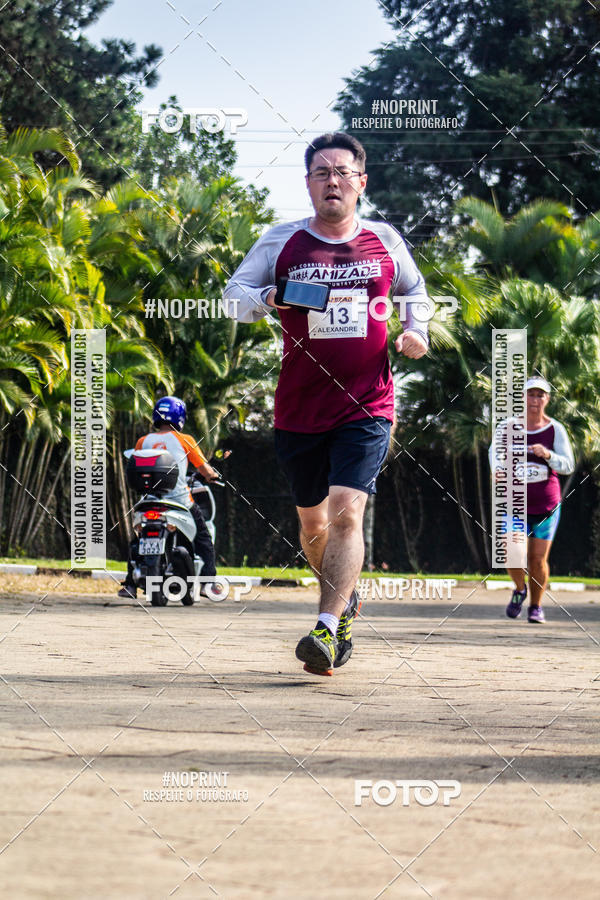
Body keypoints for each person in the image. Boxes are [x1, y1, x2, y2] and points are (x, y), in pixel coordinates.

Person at [223, 132, 429, 674]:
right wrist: (267, 296)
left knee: (346, 511)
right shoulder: (282, 241)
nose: (332, 180)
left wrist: (416, 330)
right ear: (308, 184)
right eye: (321, 173)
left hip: (367, 403)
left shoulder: (384, 239)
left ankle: (327, 627)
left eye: (342, 172)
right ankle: (345, 596)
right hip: (299, 408)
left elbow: (416, 292)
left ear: (361, 182)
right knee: (313, 526)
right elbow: (232, 297)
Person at [489, 376, 575, 623]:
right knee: (512, 553)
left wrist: (548, 454)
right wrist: (498, 470)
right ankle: (519, 589)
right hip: (515, 502)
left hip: (546, 505)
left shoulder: (555, 429)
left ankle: (535, 607)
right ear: (522, 398)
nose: (535, 399)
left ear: (547, 399)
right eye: (530, 394)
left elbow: (568, 464)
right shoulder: (507, 426)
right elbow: (494, 452)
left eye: (540, 395)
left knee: (537, 560)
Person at [118, 396, 221, 599]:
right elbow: (205, 470)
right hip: (179, 499)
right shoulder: (185, 440)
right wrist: (212, 476)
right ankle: (208, 583)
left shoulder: (142, 441)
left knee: (137, 540)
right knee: (204, 539)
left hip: (149, 500)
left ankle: (130, 584)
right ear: (180, 417)